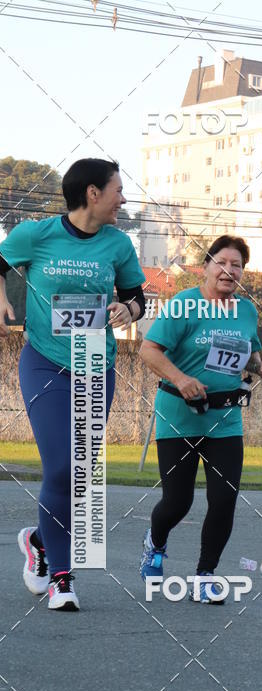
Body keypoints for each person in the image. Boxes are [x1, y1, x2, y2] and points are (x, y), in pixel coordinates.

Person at [0, 158, 146, 611]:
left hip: (95, 366)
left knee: (78, 475)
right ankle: (62, 579)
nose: (123, 198)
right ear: (92, 194)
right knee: (61, 467)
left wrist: (130, 312)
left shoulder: (119, 244)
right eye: (118, 189)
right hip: (44, 363)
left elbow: (137, 295)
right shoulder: (37, 234)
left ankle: (40, 541)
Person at [138, 234, 262, 604]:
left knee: (223, 499)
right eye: (223, 262)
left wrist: (261, 366)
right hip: (178, 417)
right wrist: (181, 379)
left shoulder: (246, 311)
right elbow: (148, 350)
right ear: (206, 267)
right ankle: (155, 542)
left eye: (237, 266)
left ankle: (204, 575)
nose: (229, 271)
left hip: (225, 419)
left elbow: (248, 353)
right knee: (177, 503)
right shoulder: (184, 304)